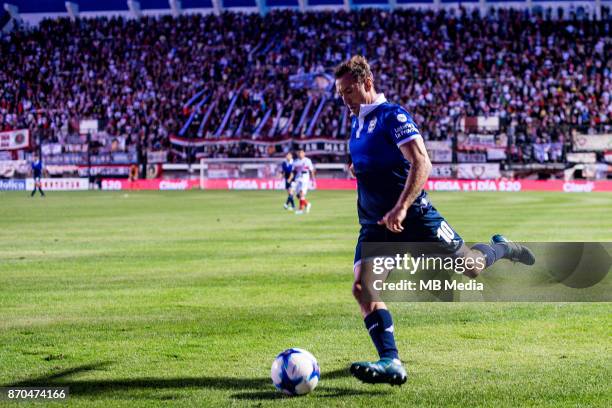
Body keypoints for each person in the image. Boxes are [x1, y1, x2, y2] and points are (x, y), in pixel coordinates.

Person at [335, 56, 535, 386]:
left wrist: (400, 206)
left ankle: (503, 248)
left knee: (471, 266)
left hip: (414, 217)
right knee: (363, 288)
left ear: (367, 83)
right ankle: (391, 361)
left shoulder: (392, 115)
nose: (345, 99)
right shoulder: (356, 123)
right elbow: (366, 162)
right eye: (341, 93)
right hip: (376, 225)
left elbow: (422, 163)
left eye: (349, 91)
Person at [292, 149, 314, 215]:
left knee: (302, 193)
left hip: (305, 177)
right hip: (298, 178)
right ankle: (307, 204)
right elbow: (293, 171)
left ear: (304, 153)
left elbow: (311, 170)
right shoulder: (295, 162)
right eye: (299, 153)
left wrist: (313, 180)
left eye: (301, 152)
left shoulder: (307, 160)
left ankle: (301, 209)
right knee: (298, 195)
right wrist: (292, 180)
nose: (300, 154)